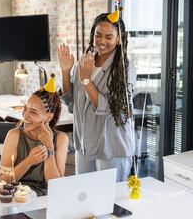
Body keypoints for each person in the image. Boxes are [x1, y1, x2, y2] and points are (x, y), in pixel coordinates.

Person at [58, 13, 136, 182]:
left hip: (112, 146)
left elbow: (110, 109)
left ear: (119, 38)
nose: (102, 41)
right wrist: (66, 71)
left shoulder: (125, 67)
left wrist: (87, 81)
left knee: (110, 202)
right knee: (85, 198)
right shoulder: (85, 62)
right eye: (98, 35)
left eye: (109, 37)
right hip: (85, 143)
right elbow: (70, 101)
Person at [0, 75, 69, 196]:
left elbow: (57, 185)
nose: (25, 115)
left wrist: (49, 147)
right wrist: (28, 162)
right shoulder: (14, 135)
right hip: (17, 197)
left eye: (33, 112)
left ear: (49, 117)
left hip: (45, 200)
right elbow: (2, 181)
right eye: (25, 108)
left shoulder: (61, 139)